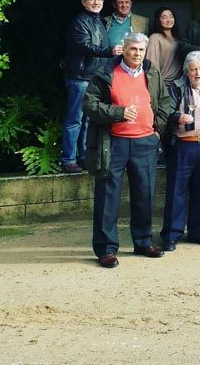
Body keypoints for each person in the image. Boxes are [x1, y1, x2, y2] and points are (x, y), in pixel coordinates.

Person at [83, 32, 169, 268]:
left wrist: (157, 131)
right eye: (133, 49)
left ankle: (143, 242)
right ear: (124, 49)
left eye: (141, 50)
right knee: (107, 197)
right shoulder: (106, 73)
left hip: (145, 143)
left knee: (145, 194)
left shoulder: (152, 72)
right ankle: (106, 249)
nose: (137, 54)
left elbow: (165, 103)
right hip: (114, 143)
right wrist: (118, 113)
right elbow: (89, 105)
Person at [159, 50, 200, 251]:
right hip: (184, 144)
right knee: (177, 190)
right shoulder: (176, 87)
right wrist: (176, 118)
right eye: (193, 69)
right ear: (186, 72)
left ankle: (198, 231)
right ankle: (171, 234)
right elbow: (164, 112)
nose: (198, 73)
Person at [61, 0, 122, 173]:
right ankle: (68, 159)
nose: (96, 3)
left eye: (100, 0)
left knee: (88, 120)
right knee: (75, 120)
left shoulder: (99, 21)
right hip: (80, 77)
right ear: (84, 2)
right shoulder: (80, 21)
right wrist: (109, 51)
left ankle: (83, 157)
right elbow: (85, 46)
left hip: (94, 78)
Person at [146, 6, 184, 86]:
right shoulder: (155, 38)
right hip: (163, 86)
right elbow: (152, 66)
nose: (169, 20)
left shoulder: (178, 39)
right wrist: (157, 87)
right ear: (158, 20)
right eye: (164, 17)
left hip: (180, 85)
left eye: (171, 16)